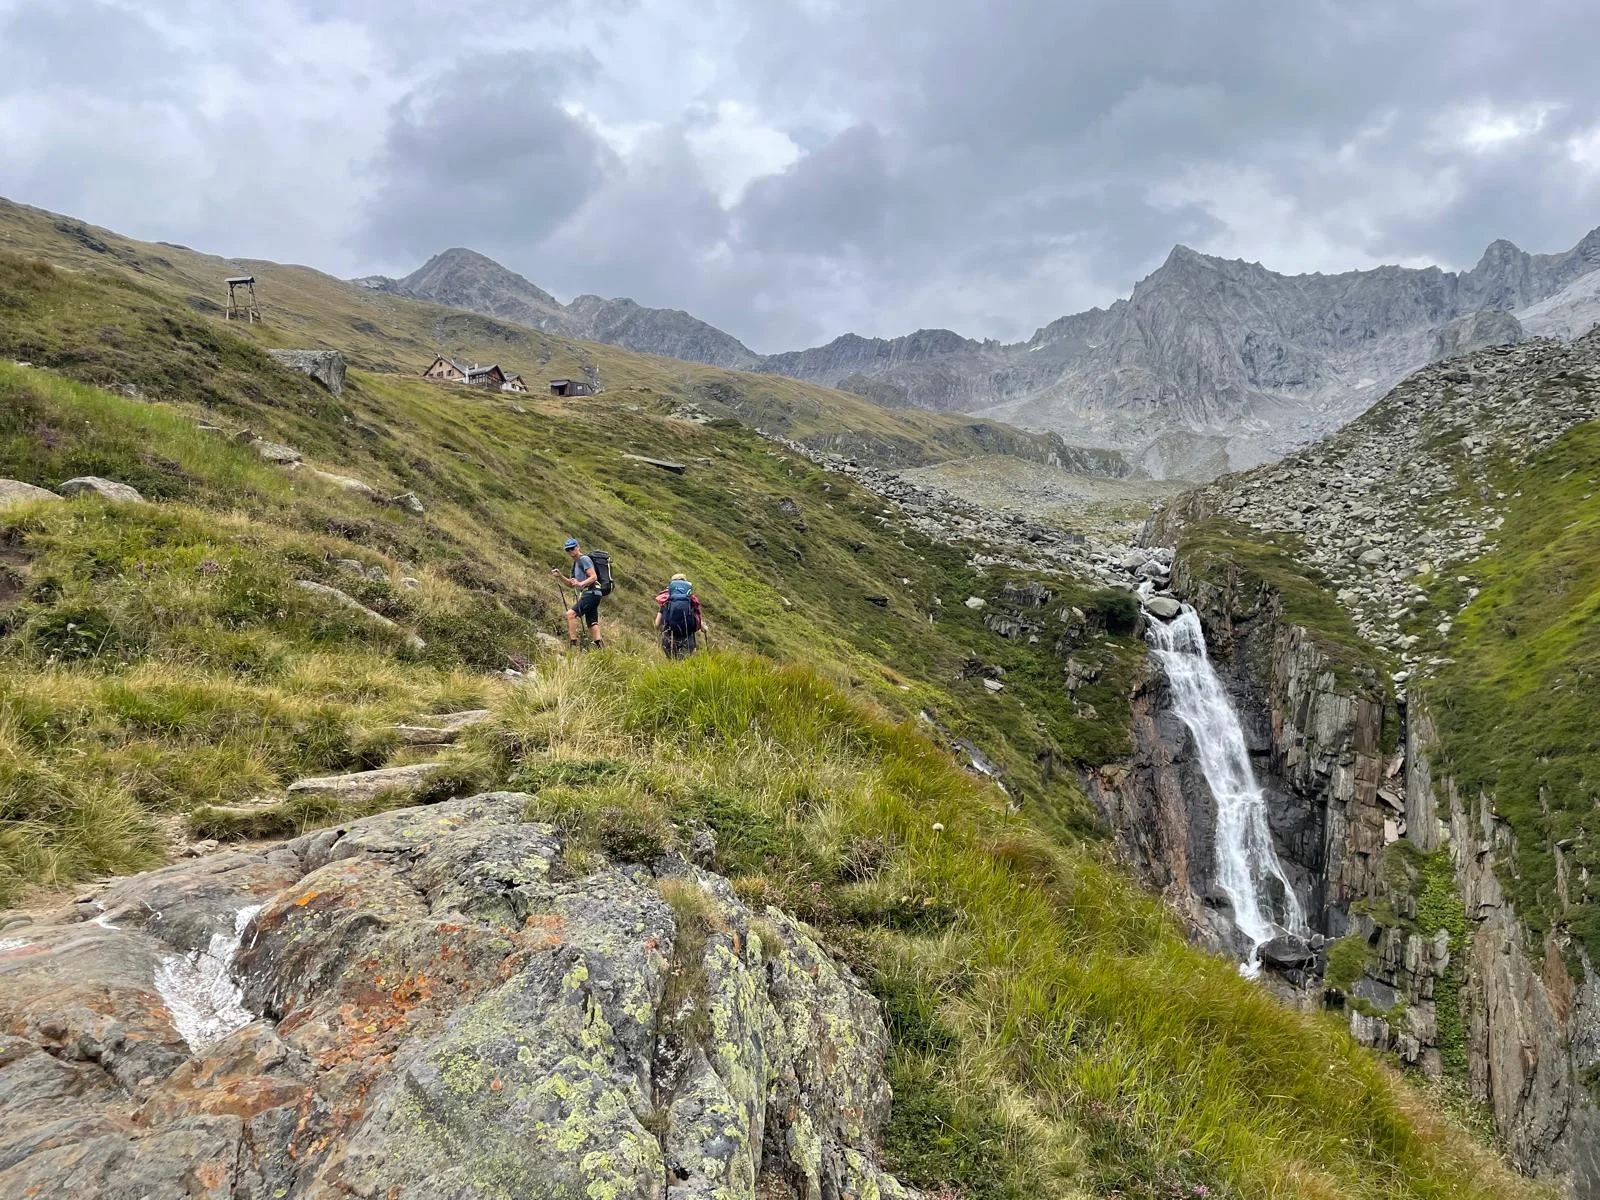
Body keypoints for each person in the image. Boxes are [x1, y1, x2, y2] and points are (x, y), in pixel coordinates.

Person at [552, 537, 605, 651]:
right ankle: (602, 649)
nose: (570, 551)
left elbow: (593, 576)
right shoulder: (575, 564)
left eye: (572, 548)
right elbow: (571, 584)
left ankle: (573, 646)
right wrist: (560, 576)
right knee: (592, 623)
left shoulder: (583, 559)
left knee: (570, 614)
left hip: (591, 592)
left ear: (578, 547)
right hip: (594, 593)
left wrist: (581, 584)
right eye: (568, 550)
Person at [654, 573, 704, 657]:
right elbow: (697, 617)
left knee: (672, 662)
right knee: (684, 663)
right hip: (687, 637)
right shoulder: (690, 599)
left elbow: (657, 624)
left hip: (669, 637)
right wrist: (704, 628)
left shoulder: (666, 600)